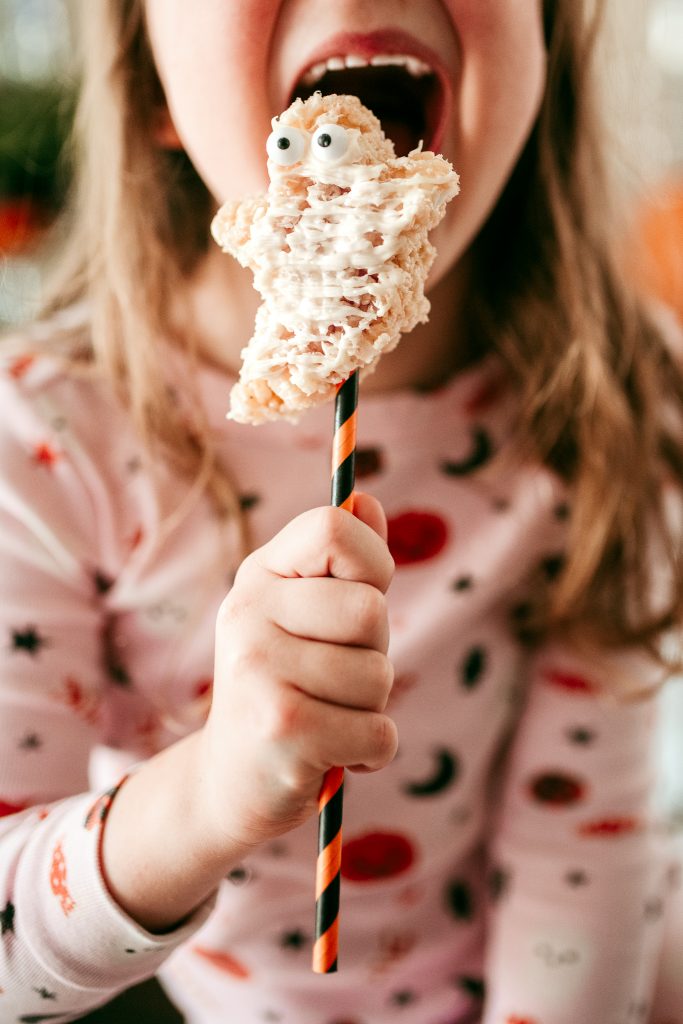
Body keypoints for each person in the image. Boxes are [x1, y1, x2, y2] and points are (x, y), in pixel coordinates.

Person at [1, 1, 682, 1022]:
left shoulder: (620, 394)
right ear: (151, 91)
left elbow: (586, 850)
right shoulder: (42, 443)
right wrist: (210, 794)